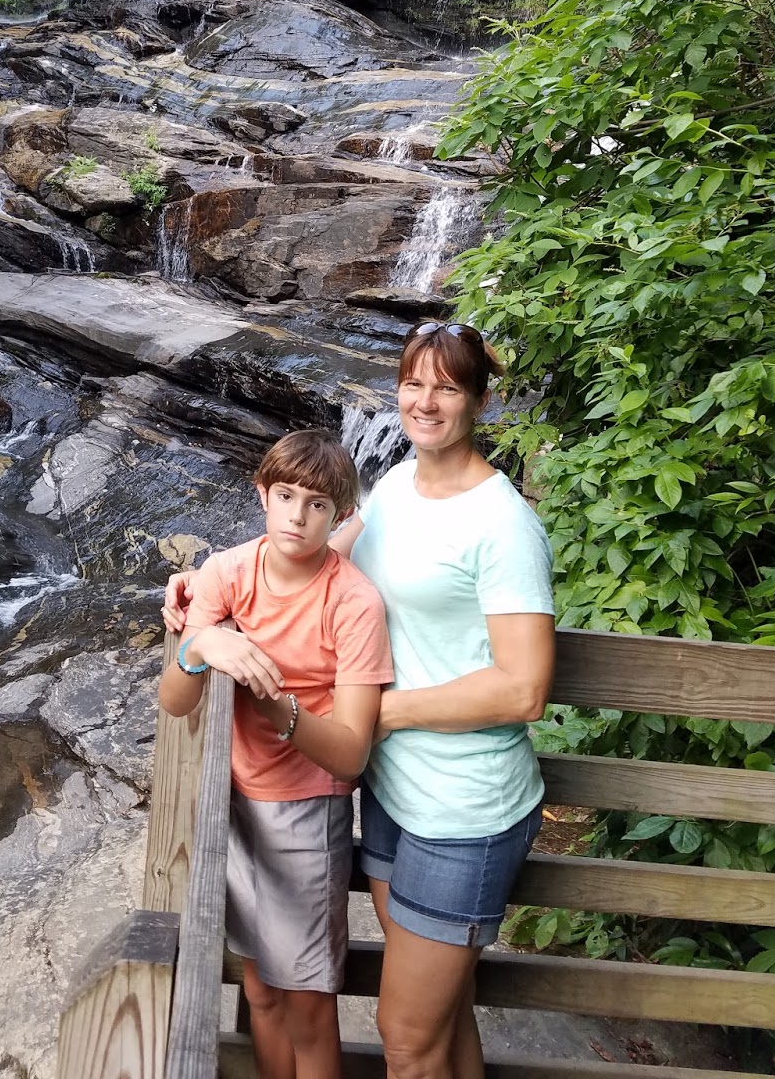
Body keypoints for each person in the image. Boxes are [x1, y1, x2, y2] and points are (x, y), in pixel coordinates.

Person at [164, 322, 555, 1079]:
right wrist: (204, 594)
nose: (425, 402)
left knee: (405, 1039)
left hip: (461, 808)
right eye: (413, 383)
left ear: (480, 401)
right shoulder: (401, 485)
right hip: (392, 794)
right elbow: (317, 558)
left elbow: (525, 687)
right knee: (444, 1020)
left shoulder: (503, 524)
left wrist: (379, 716)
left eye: (447, 387)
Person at [158, 427, 393, 1079]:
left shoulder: (353, 602)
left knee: (307, 1008)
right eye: (285, 496)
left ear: (341, 514)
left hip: (306, 813)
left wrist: (273, 705)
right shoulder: (227, 572)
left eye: (317, 504)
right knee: (259, 989)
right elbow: (176, 701)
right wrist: (199, 647)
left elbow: (350, 753)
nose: (297, 515)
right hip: (232, 803)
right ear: (262, 493)